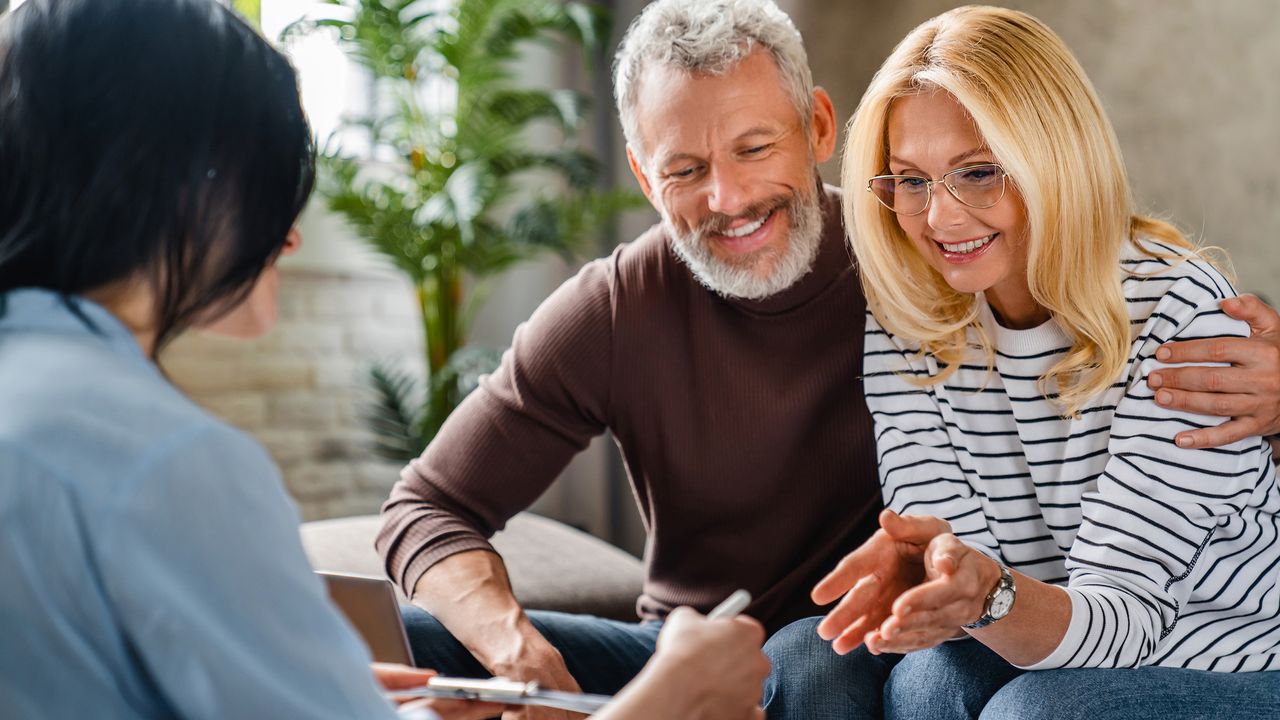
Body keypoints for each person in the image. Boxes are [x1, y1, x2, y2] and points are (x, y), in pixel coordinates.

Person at [375, 0, 1280, 715]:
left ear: (816, 128)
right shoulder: (626, 307)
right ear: (645, 178)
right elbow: (426, 506)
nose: (726, 198)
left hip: (850, 646)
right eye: (684, 169)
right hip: (694, 651)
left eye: (753, 147)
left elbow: (1121, 316)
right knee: (401, 642)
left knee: (829, 658)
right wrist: (511, 649)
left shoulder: (922, 263)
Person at [0, 1, 770, 719]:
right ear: (185, 190)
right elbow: (426, 505)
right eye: (277, 188)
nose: (290, 235)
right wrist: (666, 704)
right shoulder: (166, 463)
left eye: (755, 148)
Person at [767, 6, 1280, 719]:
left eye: (978, 173)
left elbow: (1126, 620)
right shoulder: (913, 309)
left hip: (1224, 663)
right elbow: (954, 564)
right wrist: (944, 583)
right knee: (842, 665)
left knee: (1031, 713)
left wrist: (984, 594)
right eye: (910, 181)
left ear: (1056, 159)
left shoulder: (1182, 317)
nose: (940, 220)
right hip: (1030, 635)